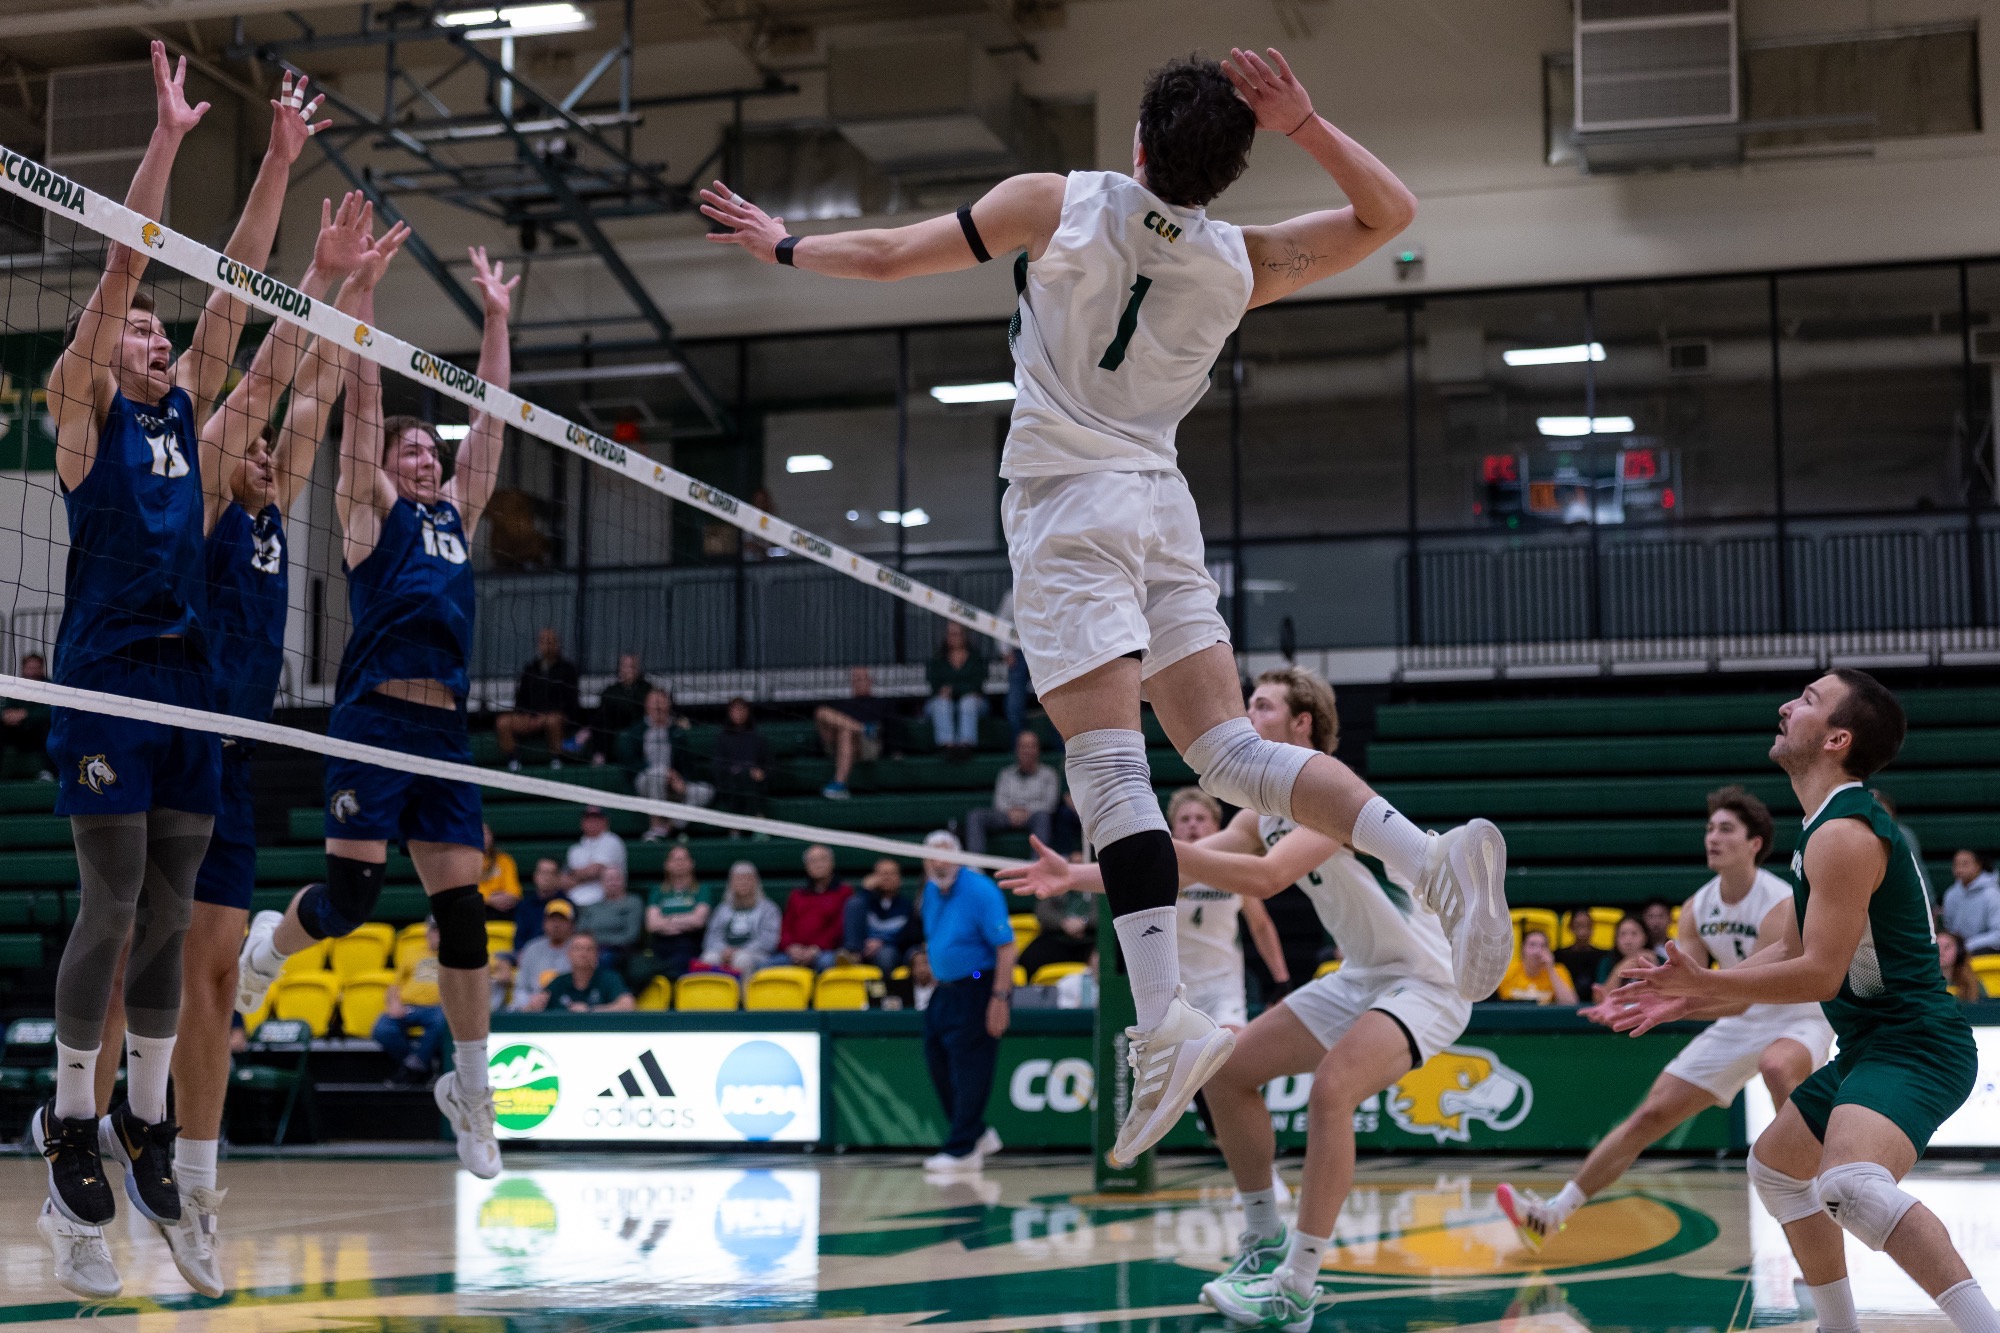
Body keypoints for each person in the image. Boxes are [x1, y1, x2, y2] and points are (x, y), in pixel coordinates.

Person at [701, 45, 1509, 1167]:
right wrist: (1307, 122)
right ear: (1226, 170)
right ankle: (1426, 858)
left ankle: (1167, 1019)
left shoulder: (1053, 201)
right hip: (1157, 501)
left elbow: (887, 258)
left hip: (1063, 504)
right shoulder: (1241, 261)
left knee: (1108, 768)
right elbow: (1390, 211)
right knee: (1224, 747)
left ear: (1135, 144)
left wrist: (781, 242)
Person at [33, 52, 327, 1302]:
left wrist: (272, 164)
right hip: (104, 679)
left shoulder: (198, 432)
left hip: (189, 695)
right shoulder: (83, 410)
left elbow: (240, 303)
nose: (156, 335)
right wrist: (162, 142)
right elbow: (121, 266)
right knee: (110, 906)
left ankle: (144, 1123)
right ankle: (66, 1123)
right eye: (141, 330)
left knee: (166, 911)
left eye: (162, 330)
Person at [1002, 665, 1469, 1332]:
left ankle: (1297, 1287)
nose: (1245, 716)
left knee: (1331, 1091)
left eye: (1262, 705)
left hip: (1427, 977)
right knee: (1227, 1072)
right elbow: (1186, 864)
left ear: (1301, 723)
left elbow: (1265, 877)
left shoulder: (1334, 795)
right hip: (1365, 972)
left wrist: (1175, 854)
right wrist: (1074, 873)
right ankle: (1264, 1239)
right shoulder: (1262, 809)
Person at [233, 233, 520, 1184]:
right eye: (414, 451)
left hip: (444, 732)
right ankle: (272, 945)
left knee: (466, 919)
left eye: (434, 453)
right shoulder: (371, 511)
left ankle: (470, 1093)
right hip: (373, 721)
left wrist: (496, 321)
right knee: (351, 902)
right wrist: (364, 295)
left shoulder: (454, 518)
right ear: (392, 466)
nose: (428, 460)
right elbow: (362, 404)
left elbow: (495, 422)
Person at [152, 186, 387, 1298]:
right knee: (140, 974)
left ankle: (196, 1183)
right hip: (168, 745)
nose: (268, 457)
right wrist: (322, 281)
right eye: (253, 446)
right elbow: (270, 388)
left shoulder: (271, 503)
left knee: (206, 980)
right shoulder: (203, 484)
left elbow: (315, 398)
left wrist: (358, 301)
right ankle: (110, 1137)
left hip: (237, 766)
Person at [1615, 670, 1997, 1333]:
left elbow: (1818, 975)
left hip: (1918, 1044)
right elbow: (1791, 949)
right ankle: (1838, 1327)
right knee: (1776, 1168)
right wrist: (1694, 997)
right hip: (1874, 1046)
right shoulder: (1818, 826)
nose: (1788, 705)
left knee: (1848, 1183)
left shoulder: (1844, 834)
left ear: (1836, 738)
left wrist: (1707, 985)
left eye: (1810, 700)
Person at [1497, 785, 1836, 1251]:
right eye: (1709, 829)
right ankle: (1552, 1214)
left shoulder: (1778, 901)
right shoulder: (1698, 907)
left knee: (1776, 1066)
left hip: (1798, 1013)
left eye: (1725, 829)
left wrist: (1678, 1002)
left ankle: (1821, 1203)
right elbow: (1692, 987)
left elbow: (1743, 994)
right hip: (1737, 1014)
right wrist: (1633, 1000)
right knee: (1648, 1116)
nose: (1712, 837)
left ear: (1755, 842)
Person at [918, 831, 1016, 1175]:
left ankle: (962, 1148)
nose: (939, 861)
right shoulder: (930, 890)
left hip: (980, 985)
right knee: (936, 1057)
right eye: (932, 855)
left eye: (946, 854)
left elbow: (1006, 947)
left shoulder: (979, 890)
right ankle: (975, 1132)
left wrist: (999, 998)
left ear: (958, 857)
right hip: (946, 988)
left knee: (969, 1065)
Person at [1165, 787, 1288, 1028]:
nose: (1193, 825)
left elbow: (1260, 925)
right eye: (1184, 819)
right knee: (1179, 1064)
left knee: (1227, 1052)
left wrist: (1281, 980)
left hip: (1222, 988)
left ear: (1217, 828)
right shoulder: (1161, 872)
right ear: (1172, 829)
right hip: (1172, 989)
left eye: (1201, 819)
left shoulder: (1231, 867)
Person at [619, 686, 706, 840]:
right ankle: (655, 825)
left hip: (672, 785)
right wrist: (666, 773)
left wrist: (682, 781)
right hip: (645, 783)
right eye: (654, 702)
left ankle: (668, 828)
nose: (658, 706)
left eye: (662, 702)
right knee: (658, 773)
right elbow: (630, 764)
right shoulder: (636, 731)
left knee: (704, 791)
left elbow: (687, 764)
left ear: (668, 705)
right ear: (646, 706)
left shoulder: (677, 732)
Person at [374, 919, 448, 1085]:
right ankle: (421, 1065)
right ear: (428, 933)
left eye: (442, 931)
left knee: (441, 1020)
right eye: (435, 931)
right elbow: (395, 984)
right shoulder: (412, 952)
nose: (438, 935)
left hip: (438, 1008)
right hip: (409, 1006)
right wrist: (394, 1003)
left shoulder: (457, 956)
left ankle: (410, 1071)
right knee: (382, 1029)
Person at [495, 628, 580, 771]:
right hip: (530, 717)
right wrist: (527, 714)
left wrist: (544, 716)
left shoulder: (567, 669)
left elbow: (570, 701)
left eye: (549, 641)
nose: (545, 645)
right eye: (542, 641)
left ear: (556, 644)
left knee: (554, 719)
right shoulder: (531, 668)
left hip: (553, 717)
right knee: (502, 722)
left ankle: (557, 759)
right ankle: (513, 759)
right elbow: (521, 697)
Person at [965, 730, 1062, 854]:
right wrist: (1011, 813)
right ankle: (975, 866)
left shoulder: (1049, 774)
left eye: (1031, 746)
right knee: (976, 816)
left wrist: (1026, 811)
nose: (1027, 750)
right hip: (1006, 815)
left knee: (1043, 817)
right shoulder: (1006, 774)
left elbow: (1050, 804)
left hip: (1033, 816)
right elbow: (999, 801)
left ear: (1038, 750)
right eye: (1023, 746)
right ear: (1017, 749)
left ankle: (1038, 864)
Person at [636, 845, 712, 984]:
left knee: (679, 966)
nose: (680, 863)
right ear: (667, 865)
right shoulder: (658, 891)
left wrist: (667, 920)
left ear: (692, 863)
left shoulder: (701, 889)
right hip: (660, 945)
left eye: (683, 859)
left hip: (689, 944)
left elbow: (698, 920)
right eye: (675, 859)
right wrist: (683, 920)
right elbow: (652, 924)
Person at [816, 666, 892, 799]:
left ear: (870, 681)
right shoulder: (843, 704)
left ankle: (839, 784)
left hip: (867, 746)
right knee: (821, 712)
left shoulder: (881, 703)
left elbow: (892, 729)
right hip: (836, 744)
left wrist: (895, 752)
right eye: (856, 679)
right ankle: (863, 728)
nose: (859, 681)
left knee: (846, 733)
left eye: (862, 678)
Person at [780, 844, 854, 970]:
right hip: (796, 953)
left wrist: (816, 949)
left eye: (822, 859)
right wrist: (791, 947)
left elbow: (839, 928)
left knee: (826, 963)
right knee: (764, 966)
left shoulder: (844, 892)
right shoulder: (796, 894)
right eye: (813, 861)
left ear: (832, 863)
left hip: (827, 951)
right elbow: (786, 927)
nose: (818, 864)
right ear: (806, 866)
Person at [701, 862, 781, 975]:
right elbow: (711, 937)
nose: (743, 882)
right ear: (731, 883)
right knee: (709, 958)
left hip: (756, 954)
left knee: (741, 959)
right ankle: (712, 993)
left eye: (748, 879)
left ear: (756, 882)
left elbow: (769, 940)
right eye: (739, 879)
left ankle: (743, 993)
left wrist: (740, 951)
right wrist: (724, 950)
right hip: (724, 952)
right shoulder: (722, 909)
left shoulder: (768, 908)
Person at [926, 622, 989, 758]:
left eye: (957, 634)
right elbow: (934, 685)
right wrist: (960, 689)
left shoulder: (975, 658)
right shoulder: (938, 658)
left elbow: (977, 685)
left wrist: (953, 689)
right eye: (951, 634)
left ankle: (966, 745)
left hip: (974, 703)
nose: (954, 637)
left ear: (965, 636)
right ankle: (947, 745)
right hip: (941, 702)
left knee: (968, 701)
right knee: (941, 703)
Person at [843, 857, 915, 972]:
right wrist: (866, 890)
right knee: (854, 903)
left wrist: (882, 942)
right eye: (882, 874)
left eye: (892, 873)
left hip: (890, 950)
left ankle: (887, 990)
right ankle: (853, 954)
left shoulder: (906, 906)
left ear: (900, 878)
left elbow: (909, 937)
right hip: (863, 948)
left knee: (886, 955)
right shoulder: (864, 901)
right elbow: (855, 920)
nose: (887, 877)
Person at [532, 933, 635, 1012]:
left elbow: (628, 1005)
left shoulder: (609, 979)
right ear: (569, 954)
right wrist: (533, 1005)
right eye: (578, 949)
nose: (583, 954)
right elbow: (533, 1007)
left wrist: (590, 1010)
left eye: (589, 949)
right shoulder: (559, 982)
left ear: (596, 954)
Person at [712, 697, 773, 820]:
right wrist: (738, 771)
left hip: (755, 784)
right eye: (735, 709)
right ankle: (755, 820)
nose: (738, 713)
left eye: (742, 709)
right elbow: (718, 767)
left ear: (748, 712)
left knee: (748, 780)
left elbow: (769, 764)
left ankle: (741, 827)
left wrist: (761, 773)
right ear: (729, 712)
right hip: (730, 785)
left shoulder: (758, 738)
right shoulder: (722, 739)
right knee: (740, 780)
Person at [510, 900, 575, 1009]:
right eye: (552, 920)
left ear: (571, 924)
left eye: (561, 920)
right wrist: (531, 1002)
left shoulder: (579, 948)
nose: (556, 925)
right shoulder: (531, 948)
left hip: (567, 1008)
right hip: (533, 1006)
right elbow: (520, 987)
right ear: (544, 923)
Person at [589, 652, 654, 762]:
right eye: (626, 666)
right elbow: (604, 710)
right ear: (620, 669)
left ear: (638, 669)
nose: (629, 670)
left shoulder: (647, 688)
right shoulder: (611, 690)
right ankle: (600, 756)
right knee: (602, 719)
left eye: (632, 667)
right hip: (615, 725)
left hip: (639, 723)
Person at [577, 866, 642, 971]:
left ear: (624, 881)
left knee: (604, 958)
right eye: (608, 879)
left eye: (616, 878)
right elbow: (581, 930)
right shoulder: (592, 907)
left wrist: (599, 942)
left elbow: (631, 936)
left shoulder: (633, 902)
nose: (613, 882)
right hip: (590, 949)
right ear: (601, 883)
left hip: (619, 952)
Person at [561, 806, 626, 908]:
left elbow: (594, 871)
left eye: (596, 818)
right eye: (588, 818)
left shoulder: (612, 841)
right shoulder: (575, 849)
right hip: (574, 903)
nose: (592, 822)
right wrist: (584, 875)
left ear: (605, 821)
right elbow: (564, 882)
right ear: (582, 822)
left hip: (603, 903)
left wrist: (573, 874)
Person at [0, 654, 53, 780]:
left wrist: (26, 714)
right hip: (17, 732)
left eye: (36, 668)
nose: (33, 672)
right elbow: (7, 708)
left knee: (46, 726)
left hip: (38, 733)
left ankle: (47, 772)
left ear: (42, 669)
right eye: (30, 668)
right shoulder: (16, 686)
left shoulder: (50, 686)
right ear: (23, 669)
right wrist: (6, 716)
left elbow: (51, 711)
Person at [1495, 930, 1576, 1005]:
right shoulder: (1507, 969)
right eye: (1532, 945)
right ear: (1523, 949)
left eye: (1543, 946)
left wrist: (1550, 970)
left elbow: (1570, 1004)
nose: (1537, 951)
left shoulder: (1558, 971)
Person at [1942, 850, 2000, 954]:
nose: (1959, 869)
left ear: (1978, 865)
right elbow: (1949, 928)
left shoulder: (1992, 894)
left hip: (1984, 952)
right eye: (1956, 864)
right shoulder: (1951, 893)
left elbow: (1998, 935)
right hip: (1958, 952)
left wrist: (1968, 945)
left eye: (1965, 864)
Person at [515, 856, 566, 948]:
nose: (546, 877)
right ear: (535, 876)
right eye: (542, 872)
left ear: (559, 877)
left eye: (550, 873)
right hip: (527, 954)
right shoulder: (525, 905)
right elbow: (519, 938)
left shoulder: (567, 905)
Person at [1596, 915, 1655, 994]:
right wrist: (1618, 971)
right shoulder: (1606, 962)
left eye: (1634, 934)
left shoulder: (1658, 959)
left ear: (1645, 937)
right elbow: (1600, 998)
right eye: (1623, 934)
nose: (1628, 941)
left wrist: (1654, 965)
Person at [1553, 908, 1605, 993]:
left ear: (1592, 927)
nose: (1583, 931)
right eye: (1579, 925)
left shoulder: (1602, 956)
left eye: (1587, 925)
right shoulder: (1559, 955)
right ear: (1570, 927)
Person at [478, 824, 522, 922]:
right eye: (479, 833)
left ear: (492, 836)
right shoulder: (468, 863)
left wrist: (499, 898)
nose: (483, 837)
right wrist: (489, 900)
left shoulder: (505, 860)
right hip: (479, 909)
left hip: (504, 910)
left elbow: (514, 891)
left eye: (486, 833)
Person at [886, 944, 937, 1011]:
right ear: (911, 969)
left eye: (925, 964)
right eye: (917, 965)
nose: (921, 969)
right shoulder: (903, 989)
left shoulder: (940, 989)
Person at [1938, 931, 1979, 1003]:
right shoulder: (1921, 982)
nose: (1941, 952)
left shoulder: (1972, 984)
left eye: (1947, 947)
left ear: (1959, 952)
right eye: (1937, 946)